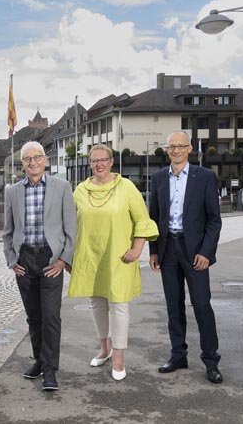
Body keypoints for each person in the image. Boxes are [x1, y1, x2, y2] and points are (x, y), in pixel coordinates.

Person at [68, 145, 158, 381]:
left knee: (119, 306)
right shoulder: (80, 190)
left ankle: (118, 358)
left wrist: (137, 249)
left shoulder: (126, 187)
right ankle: (104, 349)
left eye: (103, 160)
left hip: (120, 257)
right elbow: (69, 226)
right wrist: (68, 257)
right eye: (94, 161)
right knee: (97, 304)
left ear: (111, 162)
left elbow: (143, 220)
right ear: (89, 164)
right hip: (90, 257)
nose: (99, 164)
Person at [149, 129, 223, 384]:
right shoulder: (158, 178)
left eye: (181, 146)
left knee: (202, 305)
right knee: (173, 306)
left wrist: (206, 252)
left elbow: (214, 220)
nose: (176, 151)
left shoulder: (204, 177)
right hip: (168, 249)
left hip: (196, 253)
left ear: (190, 149)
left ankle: (211, 360)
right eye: (172, 147)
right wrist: (154, 250)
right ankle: (178, 355)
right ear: (167, 150)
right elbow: (153, 218)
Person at [2, 141, 77, 391]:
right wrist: (12, 260)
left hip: (50, 259)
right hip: (25, 259)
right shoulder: (12, 192)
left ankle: (50, 370)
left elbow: (71, 229)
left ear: (45, 160)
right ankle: (39, 360)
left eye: (37, 158)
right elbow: (7, 232)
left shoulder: (62, 187)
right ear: (22, 163)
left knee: (51, 317)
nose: (32, 162)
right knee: (33, 316)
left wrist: (64, 259)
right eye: (27, 159)